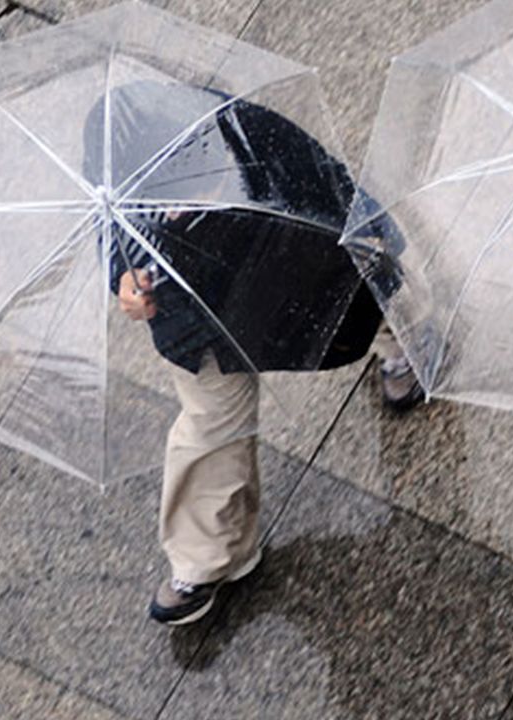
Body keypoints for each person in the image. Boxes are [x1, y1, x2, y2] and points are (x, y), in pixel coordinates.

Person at [87, 80, 401, 625]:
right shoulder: (120, 175)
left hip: (289, 269)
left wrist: (376, 233)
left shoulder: (249, 135)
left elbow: (331, 190)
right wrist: (125, 282)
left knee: (356, 306)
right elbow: (111, 237)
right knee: (209, 425)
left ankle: (405, 345)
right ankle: (208, 558)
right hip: (198, 320)